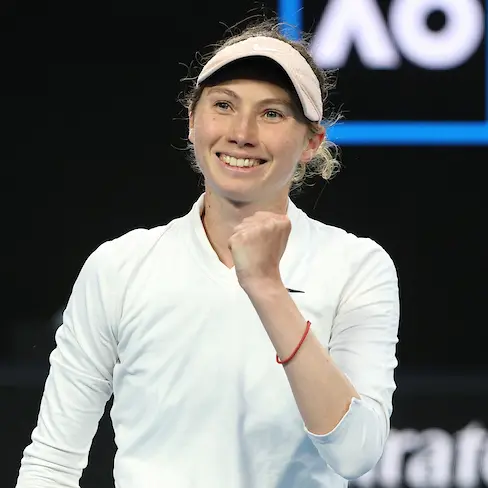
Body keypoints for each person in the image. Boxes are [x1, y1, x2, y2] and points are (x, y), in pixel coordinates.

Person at [16, 17, 399, 488]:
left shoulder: (357, 266)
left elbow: (355, 453)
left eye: (272, 114)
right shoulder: (119, 266)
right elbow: (51, 464)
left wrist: (267, 289)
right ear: (192, 121)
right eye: (223, 105)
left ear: (311, 142)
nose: (242, 132)